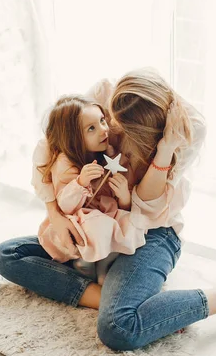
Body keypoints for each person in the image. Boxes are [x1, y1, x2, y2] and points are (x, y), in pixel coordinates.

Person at [0, 68, 216, 352]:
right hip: (97, 227)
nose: (110, 133)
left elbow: (147, 208)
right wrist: (56, 216)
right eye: (108, 122)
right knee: (6, 255)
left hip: (150, 233)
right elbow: (55, 144)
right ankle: (115, 298)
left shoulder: (188, 132)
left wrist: (164, 149)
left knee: (118, 328)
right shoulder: (103, 94)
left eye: (122, 131)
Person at [35, 94, 148, 284]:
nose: (104, 130)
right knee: (98, 226)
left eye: (102, 121)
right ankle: (85, 262)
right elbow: (65, 206)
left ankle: (105, 263)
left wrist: (124, 197)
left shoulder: (110, 155)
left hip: (107, 212)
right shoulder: (65, 163)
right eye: (91, 128)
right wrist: (80, 183)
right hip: (80, 218)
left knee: (134, 223)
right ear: (73, 138)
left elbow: (120, 203)